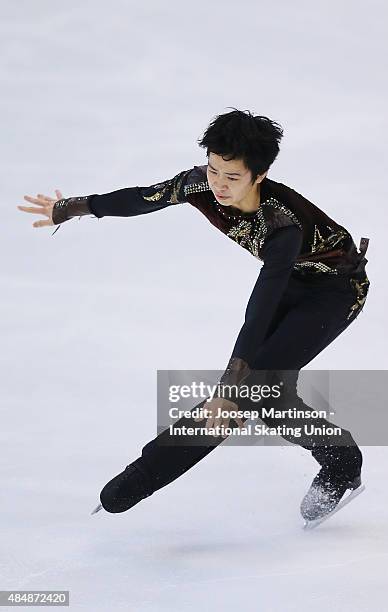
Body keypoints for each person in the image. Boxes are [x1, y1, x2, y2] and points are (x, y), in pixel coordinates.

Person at [17, 108, 370, 523]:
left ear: (260, 175)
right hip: (295, 278)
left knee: (245, 393)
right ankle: (343, 461)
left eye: (232, 177)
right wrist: (74, 207)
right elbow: (141, 197)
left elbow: (258, 311)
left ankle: (143, 476)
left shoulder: (281, 225)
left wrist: (226, 388)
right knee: (268, 393)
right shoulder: (199, 183)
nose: (218, 184)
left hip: (335, 291)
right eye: (214, 169)